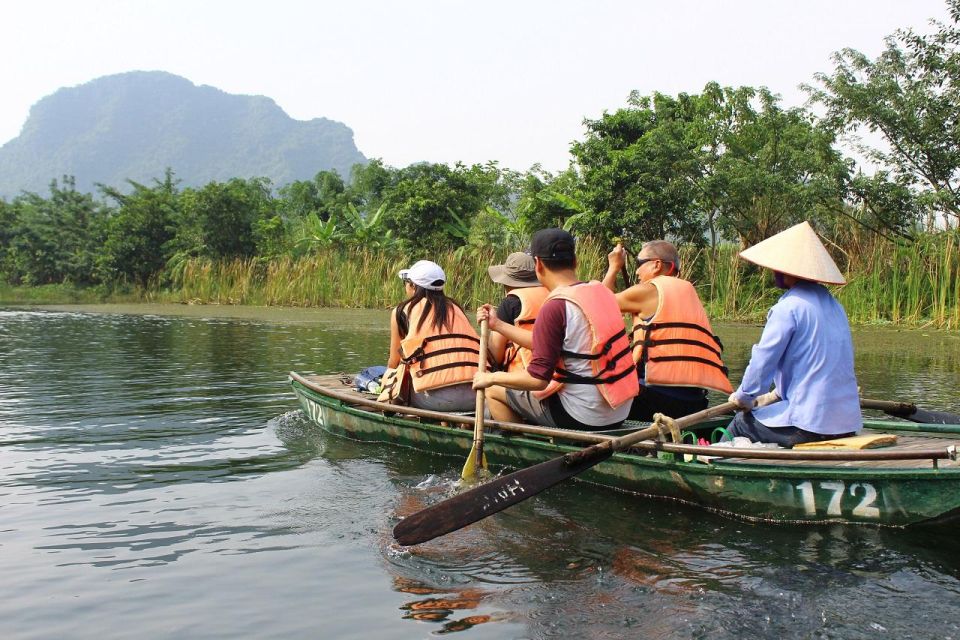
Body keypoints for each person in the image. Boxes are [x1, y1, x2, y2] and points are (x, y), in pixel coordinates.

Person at [472, 229, 639, 431]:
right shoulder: (601, 291)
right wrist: (498, 325)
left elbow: (538, 380)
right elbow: (542, 343)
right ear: (575, 261)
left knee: (493, 390)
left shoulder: (556, 306)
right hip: (620, 408)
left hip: (582, 415)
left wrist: (490, 377)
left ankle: (525, 453)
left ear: (538, 265)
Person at [726, 221, 862, 447]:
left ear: (786, 270)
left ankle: (716, 476)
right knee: (766, 414)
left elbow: (764, 359)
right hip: (846, 422)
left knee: (740, 423)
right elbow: (814, 363)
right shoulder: (834, 305)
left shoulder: (788, 307)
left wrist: (744, 397)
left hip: (809, 423)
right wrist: (774, 395)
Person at [604, 240, 733, 421]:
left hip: (653, 400)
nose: (636, 271)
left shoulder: (648, 291)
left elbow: (599, 305)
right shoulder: (689, 291)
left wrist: (614, 267)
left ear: (656, 265)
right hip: (695, 402)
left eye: (639, 264)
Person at [380, 259, 479, 411]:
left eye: (406, 282)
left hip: (435, 400)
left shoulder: (402, 311)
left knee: (390, 373)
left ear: (413, 286)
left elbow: (394, 362)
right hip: (476, 397)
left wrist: (386, 382)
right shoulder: (456, 308)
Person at [486, 252, 550, 373]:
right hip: (556, 373)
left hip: (525, 375)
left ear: (506, 281)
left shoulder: (510, 303)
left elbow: (495, 356)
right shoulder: (553, 295)